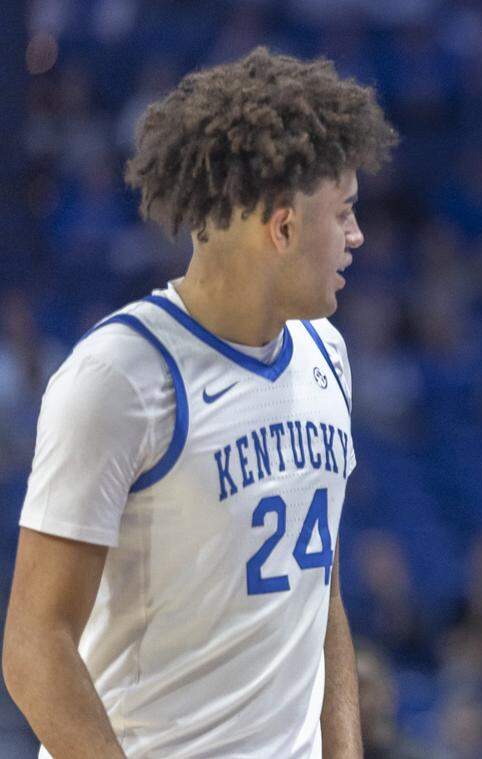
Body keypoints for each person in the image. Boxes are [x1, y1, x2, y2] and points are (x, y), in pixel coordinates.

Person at [3, 47, 398, 758]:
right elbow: (35, 643)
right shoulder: (120, 377)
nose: (355, 236)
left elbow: (320, 594)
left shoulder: (325, 354)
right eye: (343, 214)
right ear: (281, 228)